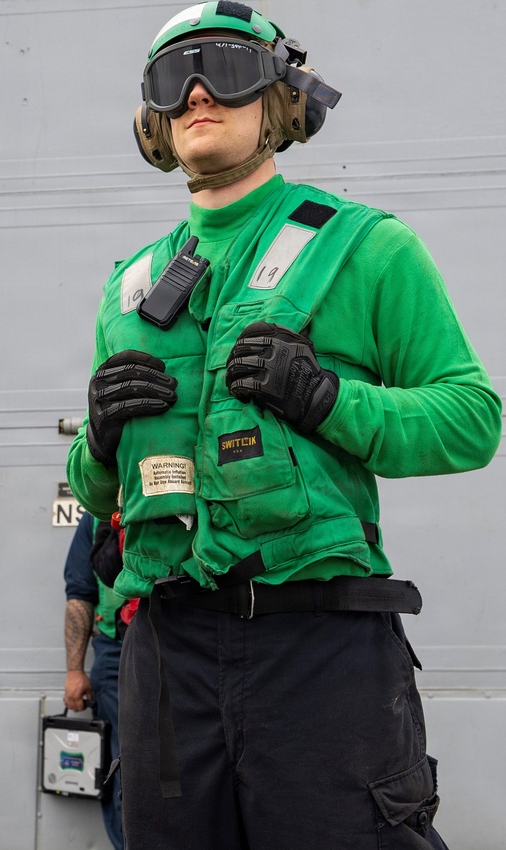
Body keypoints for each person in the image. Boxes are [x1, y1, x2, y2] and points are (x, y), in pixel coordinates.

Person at [65, 3, 502, 849]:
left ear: (282, 100)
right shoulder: (131, 284)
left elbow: (471, 418)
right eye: (173, 77)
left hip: (318, 645)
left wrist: (330, 399)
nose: (198, 92)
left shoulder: (367, 247)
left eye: (225, 69)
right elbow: (96, 488)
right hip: (166, 650)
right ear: (152, 120)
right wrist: (99, 442)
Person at [61, 510, 131, 850]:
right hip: (116, 656)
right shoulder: (97, 515)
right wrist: (75, 670)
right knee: (124, 774)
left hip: (183, 653)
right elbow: (80, 592)